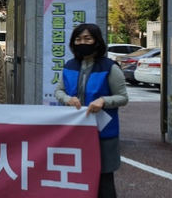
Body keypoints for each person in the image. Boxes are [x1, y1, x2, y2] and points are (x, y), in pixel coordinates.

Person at [54, 23, 128, 198]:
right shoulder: (69, 66)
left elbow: (123, 97)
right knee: (76, 174)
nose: (82, 42)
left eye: (87, 38)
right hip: (75, 131)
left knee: (104, 177)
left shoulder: (110, 67)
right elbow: (59, 91)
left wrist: (104, 101)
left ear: (97, 41)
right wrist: (67, 99)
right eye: (78, 39)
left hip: (103, 133)